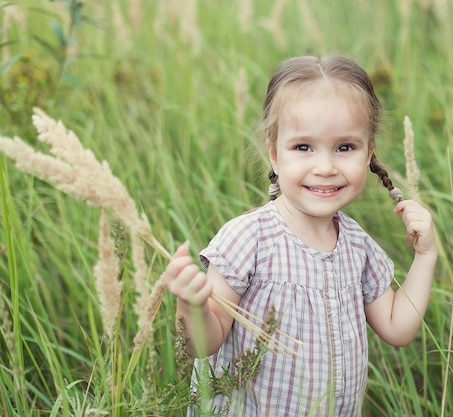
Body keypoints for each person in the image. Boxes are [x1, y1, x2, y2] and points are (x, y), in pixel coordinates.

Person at [164, 54, 438, 416]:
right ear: (274, 155)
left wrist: (426, 256)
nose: (325, 167)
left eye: (345, 147)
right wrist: (193, 306)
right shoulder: (249, 240)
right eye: (303, 147)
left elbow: (397, 328)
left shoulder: (357, 247)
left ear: (368, 153)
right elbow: (205, 343)